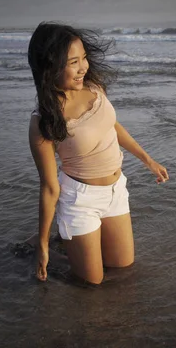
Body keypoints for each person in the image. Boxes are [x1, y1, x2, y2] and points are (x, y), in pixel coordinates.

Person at [27, 22, 168, 284]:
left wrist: (148, 160)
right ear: (50, 66)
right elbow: (49, 188)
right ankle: (41, 246)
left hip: (116, 191)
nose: (84, 67)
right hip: (81, 201)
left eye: (84, 58)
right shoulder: (44, 121)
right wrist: (43, 246)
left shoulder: (92, 87)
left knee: (122, 267)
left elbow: (111, 126)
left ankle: (69, 241)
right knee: (92, 283)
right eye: (73, 62)